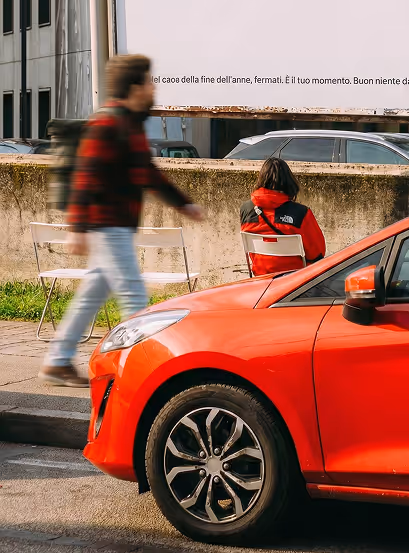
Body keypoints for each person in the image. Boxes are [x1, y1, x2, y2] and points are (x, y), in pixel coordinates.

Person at [39, 54, 203, 387]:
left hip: (116, 227)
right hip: (107, 226)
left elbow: (147, 174)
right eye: (149, 80)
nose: (153, 86)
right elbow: (86, 175)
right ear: (135, 86)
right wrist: (78, 227)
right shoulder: (108, 124)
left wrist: (183, 204)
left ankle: (57, 361)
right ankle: (143, 371)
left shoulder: (130, 124)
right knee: (134, 295)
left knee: (91, 295)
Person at [241, 157, 325, 276]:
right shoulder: (301, 213)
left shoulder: (246, 210)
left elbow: (252, 253)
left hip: (261, 279)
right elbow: (318, 253)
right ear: (289, 182)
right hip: (295, 282)